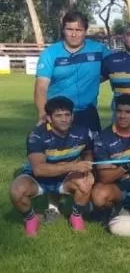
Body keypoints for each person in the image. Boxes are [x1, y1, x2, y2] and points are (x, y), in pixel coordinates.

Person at [9, 97, 95, 236]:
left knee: (85, 182)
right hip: (39, 179)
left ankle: (76, 216)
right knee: (17, 190)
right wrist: (73, 166)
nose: (64, 119)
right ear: (49, 118)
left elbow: (88, 152)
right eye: (58, 116)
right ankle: (31, 219)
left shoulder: (84, 132)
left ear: (72, 116)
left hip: (65, 178)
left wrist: (88, 168)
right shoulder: (37, 135)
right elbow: (39, 170)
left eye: (67, 115)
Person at [35, 11, 110, 136]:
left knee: (93, 153)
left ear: (85, 31)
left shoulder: (99, 50)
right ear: (63, 30)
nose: (74, 34)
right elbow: (41, 87)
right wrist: (43, 114)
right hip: (59, 115)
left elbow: (118, 65)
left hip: (88, 114)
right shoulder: (50, 53)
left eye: (78, 30)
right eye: (69, 29)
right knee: (59, 154)